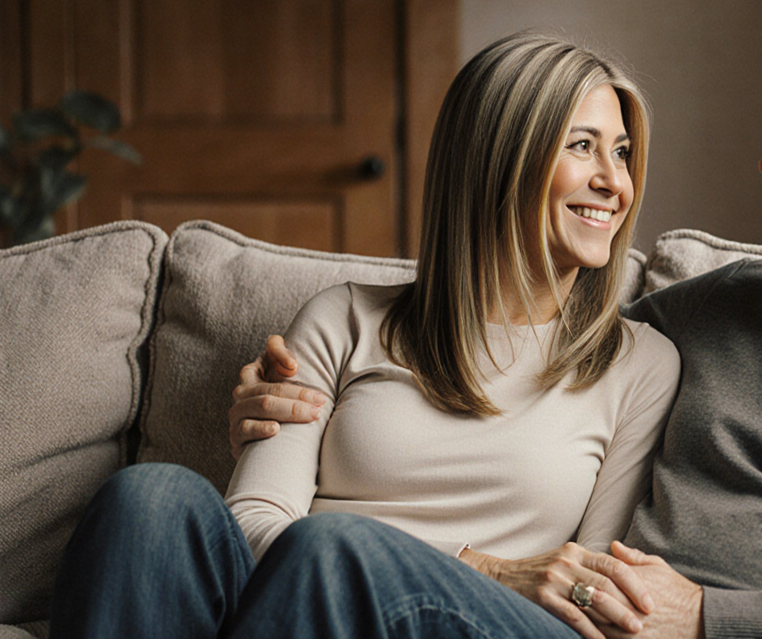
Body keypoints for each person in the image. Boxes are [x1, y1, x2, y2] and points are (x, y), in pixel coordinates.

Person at [232, 1, 762, 639]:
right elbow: (525, 344)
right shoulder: (713, 307)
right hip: (587, 631)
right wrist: (286, 404)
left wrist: (713, 619)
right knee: (275, 534)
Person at [50, 32, 681, 639]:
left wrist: (401, 562)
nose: (614, 182)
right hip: (309, 589)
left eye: (622, 152)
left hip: (487, 623)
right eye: (582, 147)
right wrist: (470, 560)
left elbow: (595, 594)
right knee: (150, 496)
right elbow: (253, 523)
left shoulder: (640, 365)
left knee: (331, 543)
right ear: (495, 160)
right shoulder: (342, 319)